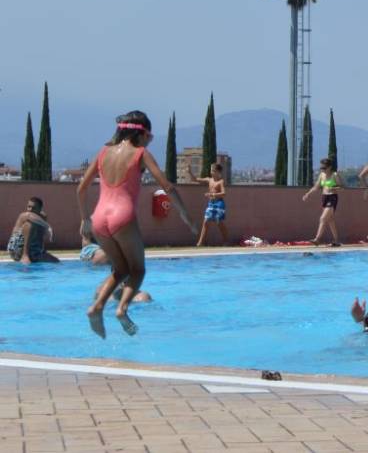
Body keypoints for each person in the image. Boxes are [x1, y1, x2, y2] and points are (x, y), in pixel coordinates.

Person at [77, 111, 197, 338]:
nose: (149, 142)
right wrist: (185, 217)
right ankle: (122, 310)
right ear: (140, 134)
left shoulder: (103, 152)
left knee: (120, 269)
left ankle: (97, 307)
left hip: (99, 218)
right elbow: (168, 187)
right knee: (138, 270)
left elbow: (80, 188)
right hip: (122, 216)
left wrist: (85, 219)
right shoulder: (140, 153)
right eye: (149, 137)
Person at [301, 158, 343, 247]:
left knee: (323, 218)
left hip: (332, 197)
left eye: (324, 168)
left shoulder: (334, 175)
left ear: (329, 167)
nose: (323, 170)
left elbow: (342, 187)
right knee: (330, 220)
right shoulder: (321, 175)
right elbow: (316, 187)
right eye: (322, 168)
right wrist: (308, 194)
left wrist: (334, 188)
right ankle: (336, 240)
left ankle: (317, 239)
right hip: (324, 197)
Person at [8, 197, 59, 264]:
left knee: (56, 262)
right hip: (17, 250)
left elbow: (40, 235)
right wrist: (48, 226)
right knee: (28, 224)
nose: (30, 209)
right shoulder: (24, 215)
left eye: (33, 208)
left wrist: (42, 251)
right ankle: (25, 255)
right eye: (29, 207)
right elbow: (29, 216)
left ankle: (36, 254)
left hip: (33, 250)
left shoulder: (42, 217)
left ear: (40, 209)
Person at [195, 163, 229, 247]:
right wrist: (189, 172)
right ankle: (200, 243)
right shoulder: (209, 180)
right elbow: (196, 179)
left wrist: (213, 195)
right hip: (211, 204)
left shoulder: (221, 182)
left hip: (219, 204)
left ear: (218, 172)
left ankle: (226, 241)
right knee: (206, 222)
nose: (211, 172)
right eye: (211, 170)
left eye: (213, 170)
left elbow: (224, 193)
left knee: (219, 222)